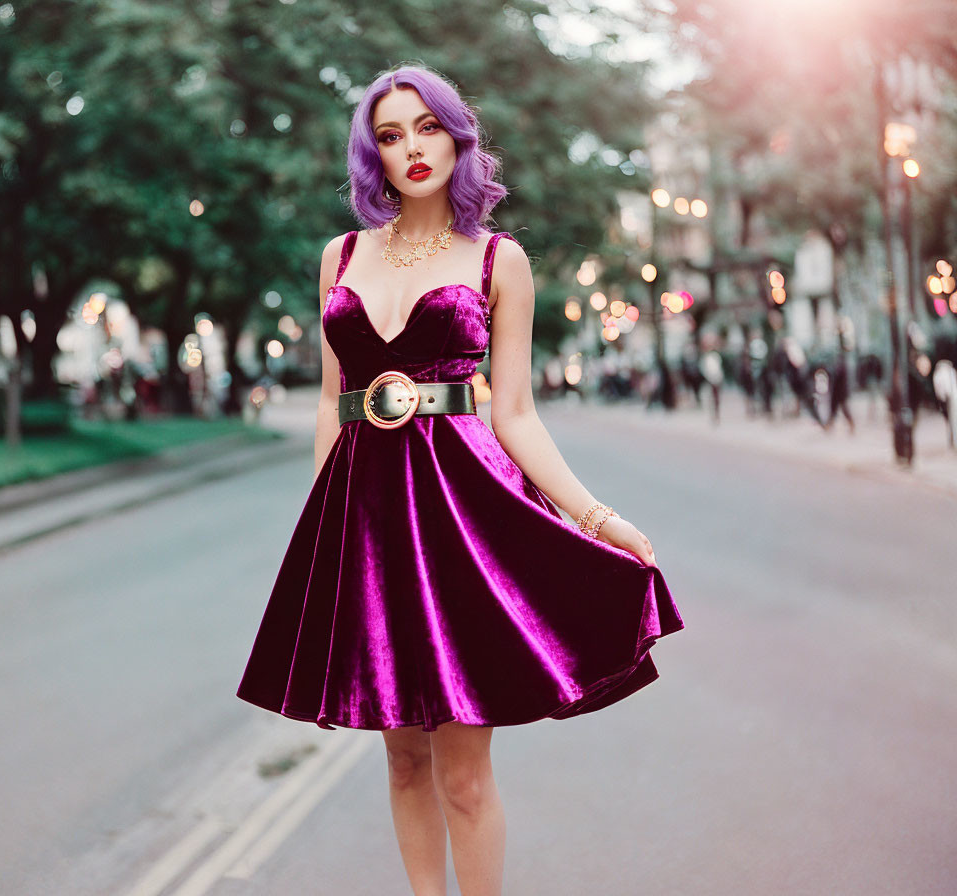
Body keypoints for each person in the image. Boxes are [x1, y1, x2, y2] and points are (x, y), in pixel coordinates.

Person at [236, 64, 685, 896]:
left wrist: (594, 516)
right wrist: (319, 540)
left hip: (459, 509)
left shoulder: (498, 260)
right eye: (391, 135)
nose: (412, 148)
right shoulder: (339, 257)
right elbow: (335, 404)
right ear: (374, 154)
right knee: (403, 759)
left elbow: (513, 413)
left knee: (464, 773)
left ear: (456, 135)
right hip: (362, 517)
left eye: (427, 128)